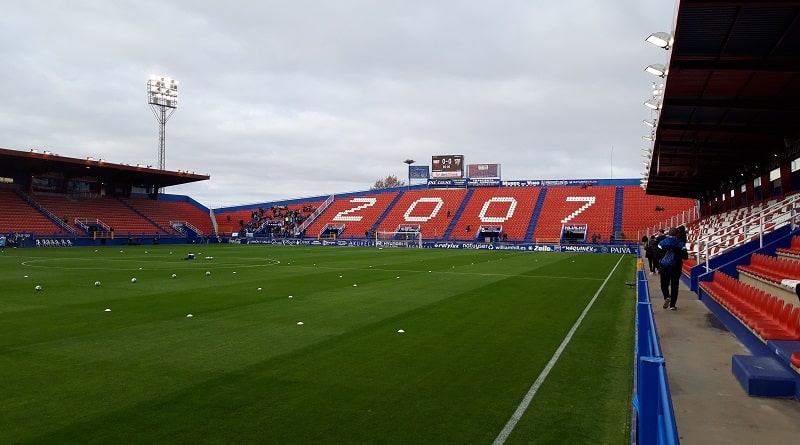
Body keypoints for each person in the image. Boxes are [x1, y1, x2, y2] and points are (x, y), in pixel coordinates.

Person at [658, 228, 688, 310]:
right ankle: (672, 305)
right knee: (675, 285)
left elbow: (658, 255)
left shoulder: (662, 243)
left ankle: (667, 296)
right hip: (676, 267)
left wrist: (659, 265)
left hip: (665, 267)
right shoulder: (681, 244)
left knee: (664, 284)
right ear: (677, 234)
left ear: (668, 233)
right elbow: (685, 257)